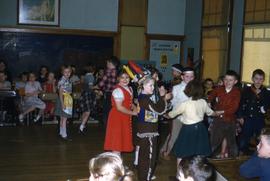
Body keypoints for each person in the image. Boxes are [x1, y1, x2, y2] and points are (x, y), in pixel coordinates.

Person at [167, 80, 221, 180]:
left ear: (188, 90)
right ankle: (198, 175)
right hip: (201, 129)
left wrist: (164, 114)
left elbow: (171, 114)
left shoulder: (185, 103)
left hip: (188, 130)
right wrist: (219, 113)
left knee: (181, 154)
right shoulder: (203, 102)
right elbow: (211, 113)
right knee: (199, 154)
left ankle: (180, 176)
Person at [135, 76, 168, 181]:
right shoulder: (145, 99)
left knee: (144, 156)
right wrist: (163, 97)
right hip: (148, 132)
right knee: (149, 158)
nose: (153, 88)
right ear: (143, 86)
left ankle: (143, 177)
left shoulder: (143, 97)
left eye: (153, 85)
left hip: (146, 130)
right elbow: (159, 110)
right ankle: (145, 178)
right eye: (150, 85)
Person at [160, 67, 195, 160]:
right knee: (174, 135)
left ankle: (186, 154)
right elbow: (172, 102)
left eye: (192, 77)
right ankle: (165, 152)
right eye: (187, 76)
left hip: (191, 117)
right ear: (182, 77)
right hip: (178, 116)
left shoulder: (196, 88)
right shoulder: (176, 88)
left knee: (189, 136)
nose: (190, 79)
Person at [208, 70, 241, 158]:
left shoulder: (236, 92)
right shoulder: (219, 89)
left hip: (230, 121)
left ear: (235, 82)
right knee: (213, 141)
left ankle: (233, 160)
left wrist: (221, 112)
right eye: (226, 79)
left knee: (232, 143)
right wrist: (209, 102)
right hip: (218, 121)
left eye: (230, 80)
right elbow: (211, 95)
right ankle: (207, 160)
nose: (227, 82)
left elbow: (233, 108)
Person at [104, 69, 137, 154]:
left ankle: (118, 165)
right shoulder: (118, 90)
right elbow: (119, 107)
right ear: (118, 78)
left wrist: (134, 107)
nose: (125, 79)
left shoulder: (129, 88)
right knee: (117, 143)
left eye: (127, 77)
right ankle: (116, 165)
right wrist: (133, 113)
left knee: (121, 142)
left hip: (125, 117)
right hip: (117, 118)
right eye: (122, 77)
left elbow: (129, 102)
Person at [238, 69, 270, 155]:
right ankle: (241, 154)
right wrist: (240, 116)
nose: (258, 81)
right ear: (252, 79)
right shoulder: (246, 90)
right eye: (256, 78)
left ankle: (261, 154)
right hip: (248, 118)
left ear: (263, 80)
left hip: (259, 119)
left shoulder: (266, 92)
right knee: (244, 138)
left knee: (261, 138)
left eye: (260, 79)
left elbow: (267, 105)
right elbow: (241, 104)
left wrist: (261, 95)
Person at [98, 56, 119, 127]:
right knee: (113, 110)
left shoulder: (108, 72)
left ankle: (107, 126)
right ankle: (113, 125)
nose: (106, 64)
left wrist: (97, 87)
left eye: (107, 63)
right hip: (116, 95)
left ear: (110, 63)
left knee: (106, 111)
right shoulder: (118, 72)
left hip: (109, 94)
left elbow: (101, 83)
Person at [54, 65, 73, 140]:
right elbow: (60, 93)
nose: (67, 73)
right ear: (62, 72)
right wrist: (62, 104)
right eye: (65, 72)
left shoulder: (67, 80)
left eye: (69, 72)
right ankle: (64, 135)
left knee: (62, 118)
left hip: (66, 98)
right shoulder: (62, 81)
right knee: (64, 118)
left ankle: (61, 133)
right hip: (64, 99)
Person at [78, 64, 96, 134]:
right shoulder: (91, 76)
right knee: (88, 112)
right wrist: (97, 88)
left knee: (84, 111)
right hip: (88, 95)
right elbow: (91, 87)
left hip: (84, 94)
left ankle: (82, 126)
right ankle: (81, 127)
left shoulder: (85, 76)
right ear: (93, 70)